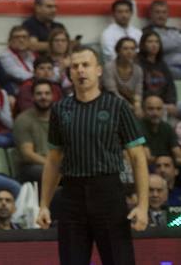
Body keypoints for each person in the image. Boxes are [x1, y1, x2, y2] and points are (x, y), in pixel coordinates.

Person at [36, 47, 150, 264]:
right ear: (70, 74)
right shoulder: (60, 109)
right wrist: (44, 205)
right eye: (75, 66)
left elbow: (138, 157)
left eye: (86, 65)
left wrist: (143, 206)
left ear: (98, 70)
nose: (80, 70)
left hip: (108, 192)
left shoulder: (117, 106)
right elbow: (53, 160)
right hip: (72, 195)